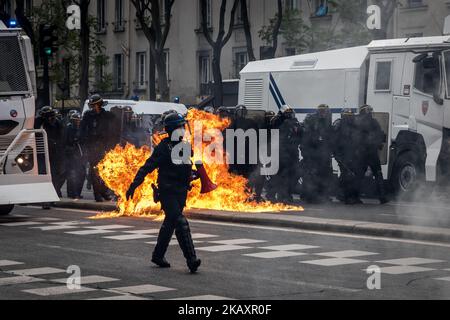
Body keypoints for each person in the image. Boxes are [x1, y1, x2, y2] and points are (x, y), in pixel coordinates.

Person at [126, 113, 202, 273]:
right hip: (168, 192)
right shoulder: (163, 148)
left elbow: (186, 171)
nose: (183, 129)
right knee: (180, 222)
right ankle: (191, 259)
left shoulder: (185, 147)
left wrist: (195, 175)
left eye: (183, 126)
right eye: (180, 126)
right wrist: (134, 185)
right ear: (173, 129)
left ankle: (158, 255)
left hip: (181, 192)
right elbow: (147, 167)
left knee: (170, 224)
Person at [80, 94, 119, 202]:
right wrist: (86, 145)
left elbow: (115, 128)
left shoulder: (107, 115)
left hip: (105, 147)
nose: (94, 107)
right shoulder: (88, 116)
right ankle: (97, 194)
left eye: (95, 105)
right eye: (92, 105)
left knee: (106, 171)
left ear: (100, 104)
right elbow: (82, 131)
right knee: (95, 172)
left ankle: (104, 192)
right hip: (92, 148)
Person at [356, 104, 389, 204]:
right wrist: (378, 144)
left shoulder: (357, 122)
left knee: (359, 176)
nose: (370, 112)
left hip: (363, 153)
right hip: (371, 152)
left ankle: (355, 196)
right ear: (364, 111)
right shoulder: (373, 122)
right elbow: (381, 135)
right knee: (378, 174)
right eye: (368, 110)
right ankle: (382, 197)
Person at [300, 104, 333, 203]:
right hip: (312, 152)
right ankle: (309, 196)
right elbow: (306, 139)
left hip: (323, 153)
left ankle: (322, 195)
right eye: (322, 110)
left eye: (325, 111)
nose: (323, 113)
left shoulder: (326, 121)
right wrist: (307, 153)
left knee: (324, 174)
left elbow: (328, 137)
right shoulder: (311, 120)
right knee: (311, 174)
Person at [269, 106, 302, 203]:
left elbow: (300, 134)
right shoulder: (276, 121)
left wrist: (297, 126)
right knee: (277, 175)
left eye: (290, 113)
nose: (289, 115)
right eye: (287, 113)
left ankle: (286, 194)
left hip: (292, 153)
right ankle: (272, 195)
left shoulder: (294, 122)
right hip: (279, 153)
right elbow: (274, 133)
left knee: (293, 174)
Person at [34, 106, 66, 202]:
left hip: (54, 153)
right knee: (44, 175)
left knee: (55, 175)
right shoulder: (39, 122)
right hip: (42, 153)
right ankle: (45, 199)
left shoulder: (57, 123)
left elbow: (62, 137)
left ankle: (53, 196)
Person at [333, 108, 362, 205]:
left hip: (353, 154)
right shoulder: (339, 125)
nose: (349, 117)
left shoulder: (355, 126)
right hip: (343, 155)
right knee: (347, 176)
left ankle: (353, 196)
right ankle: (346, 197)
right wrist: (337, 155)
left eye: (351, 116)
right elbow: (335, 141)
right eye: (347, 116)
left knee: (355, 176)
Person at [65, 112, 86, 199]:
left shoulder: (81, 129)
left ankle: (77, 192)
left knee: (82, 175)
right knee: (72, 175)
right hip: (71, 155)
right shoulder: (68, 129)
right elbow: (65, 142)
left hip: (80, 155)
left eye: (79, 120)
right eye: (76, 120)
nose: (78, 122)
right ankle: (72, 193)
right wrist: (71, 149)